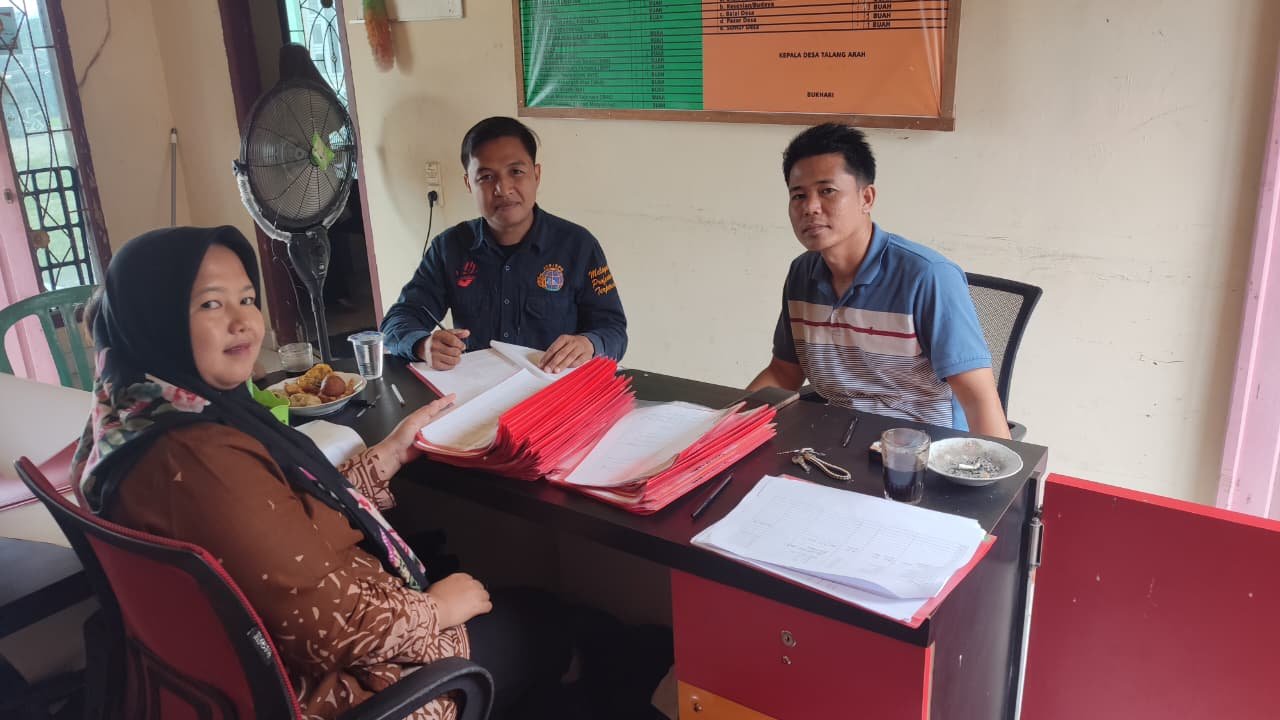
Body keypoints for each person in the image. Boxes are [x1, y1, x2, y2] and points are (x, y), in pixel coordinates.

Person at [71, 226, 578, 720]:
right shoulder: (198, 459)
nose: (242, 321)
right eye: (210, 304)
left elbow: (277, 523)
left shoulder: (131, 420)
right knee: (543, 621)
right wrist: (438, 610)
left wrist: (386, 456)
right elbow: (330, 632)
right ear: (155, 318)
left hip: (265, 669)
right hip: (349, 688)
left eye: (247, 299)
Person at [747, 124, 1010, 438]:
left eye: (827, 191)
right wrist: (719, 425)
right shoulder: (802, 273)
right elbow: (783, 373)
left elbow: (979, 399)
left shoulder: (928, 276)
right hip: (837, 438)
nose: (810, 207)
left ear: (866, 198)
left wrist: (995, 469)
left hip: (923, 447)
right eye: (798, 195)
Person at [381, 116, 627, 374]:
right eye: (486, 177)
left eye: (516, 172)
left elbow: (613, 330)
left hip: (553, 390)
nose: (503, 188)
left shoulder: (578, 246)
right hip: (474, 389)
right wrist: (422, 344)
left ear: (536, 175)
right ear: (469, 183)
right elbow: (398, 320)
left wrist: (589, 343)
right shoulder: (449, 248)